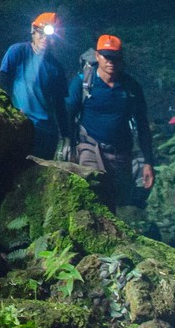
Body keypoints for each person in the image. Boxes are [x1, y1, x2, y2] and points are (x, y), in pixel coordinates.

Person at [66, 32, 156, 207]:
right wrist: (70, 147)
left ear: (121, 59)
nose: (110, 62)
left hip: (120, 154)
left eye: (114, 58)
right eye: (106, 57)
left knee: (119, 202)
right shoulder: (84, 83)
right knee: (93, 197)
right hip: (89, 148)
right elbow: (68, 114)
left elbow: (143, 126)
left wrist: (148, 162)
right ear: (97, 56)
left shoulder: (130, 87)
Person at [0, 10, 71, 159]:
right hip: (19, 125)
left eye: (50, 37)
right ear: (33, 32)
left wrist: (67, 136)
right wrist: (8, 111)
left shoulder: (56, 69)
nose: (45, 39)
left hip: (46, 133)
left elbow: (60, 105)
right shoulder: (17, 51)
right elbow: (3, 83)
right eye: (41, 33)